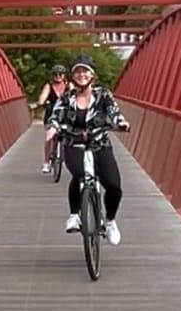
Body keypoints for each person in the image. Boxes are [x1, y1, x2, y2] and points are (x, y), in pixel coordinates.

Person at [45, 55, 130, 245]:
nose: (81, 74)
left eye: (85, 71)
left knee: (114, 186)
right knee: (79, 174)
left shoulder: (103, 95)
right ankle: (75, 214)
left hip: (100, 144)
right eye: (77, 71)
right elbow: (56, 115)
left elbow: (114, 112)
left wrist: (121, 123)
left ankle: (110, 221)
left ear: (92, 74)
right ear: (72, 76)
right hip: (74, 144)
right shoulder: (67, 98)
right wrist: (52, 127)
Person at [36, 64, 69, 173]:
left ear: (64, 75)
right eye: (55, 74)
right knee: (49, 138)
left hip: (65, 116)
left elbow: (77, 95)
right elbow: (43, 97)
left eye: (60, 74)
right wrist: (42, 102)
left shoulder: (69, 86)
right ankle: (46, 162)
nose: (58, 76)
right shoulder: (49, 86)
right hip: (51, 115)